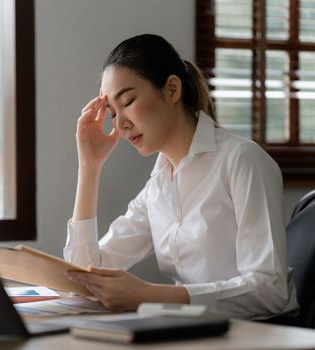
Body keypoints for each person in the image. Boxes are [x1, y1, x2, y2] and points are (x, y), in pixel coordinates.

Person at [63, 34, 298, 320]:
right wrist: (89, 167)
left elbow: (269, 290)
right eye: (112, 112)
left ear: (172, 89)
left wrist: (148, 295)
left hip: (257, 334)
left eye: (128, 101)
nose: (121, 124)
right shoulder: (159, 185)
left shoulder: (242, 159)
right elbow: (82, 276)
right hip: (193, 331)